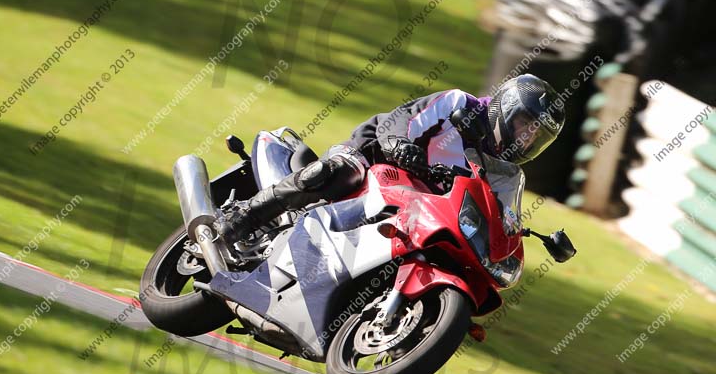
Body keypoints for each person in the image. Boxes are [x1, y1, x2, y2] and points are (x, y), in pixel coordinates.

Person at [216, 73, 564, 244]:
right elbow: (403, 120)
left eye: (536, 136)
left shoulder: (507, 175)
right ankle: (243, 217)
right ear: (506, 108)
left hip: (416, 203)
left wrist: (513, 233)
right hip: (375, 154)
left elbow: (503, 216)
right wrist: (400, 145)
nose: (526, 138)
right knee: (336, 175)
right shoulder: (461, 105)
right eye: (524, 125)